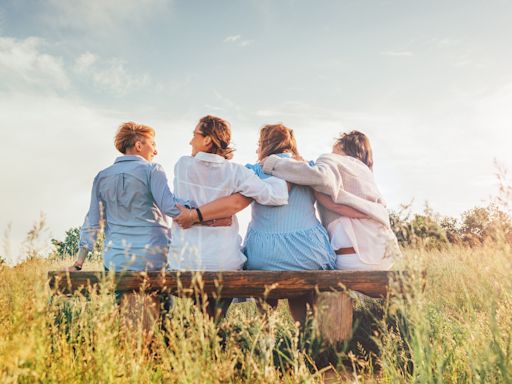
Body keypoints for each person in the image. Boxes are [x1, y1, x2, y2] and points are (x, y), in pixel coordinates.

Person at [242, 123, 367, 325]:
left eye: (259, 143)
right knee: (301, 280)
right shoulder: (308, 169)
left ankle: (266, 331)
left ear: (265, 144)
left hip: (263, 255)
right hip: (307, 253)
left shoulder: (253, 172)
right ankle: (305, 332)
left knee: (265, 278)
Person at [168, 115, 289, 317]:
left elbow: (183, 209)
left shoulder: (183, 166)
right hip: (223, 264)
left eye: (194, 135)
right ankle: (210, 335)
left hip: (184, 263)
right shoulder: (237, 173)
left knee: (199, 317)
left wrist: (199, 217)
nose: (191, 141)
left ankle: (204, 337)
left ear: (208, 139)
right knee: (213, 314)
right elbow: (276, 196)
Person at [262, 130, 401, 271]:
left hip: (356, 259)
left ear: (341, 146)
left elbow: (320, 177)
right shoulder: (366, 173)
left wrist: (272, 163)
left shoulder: (332, 159)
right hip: (386, 257)